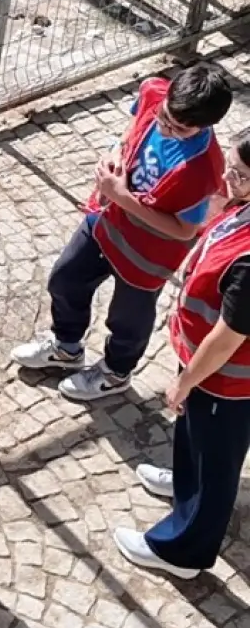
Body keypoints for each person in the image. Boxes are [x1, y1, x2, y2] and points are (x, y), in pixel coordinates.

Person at [11, 61, 232, 404]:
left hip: (146, 254)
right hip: (106, 222)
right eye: (164, 117)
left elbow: (183, 229)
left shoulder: (204, 169)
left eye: (178, 130)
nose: (166, 128)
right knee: (65, 279)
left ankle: (116, 372)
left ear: (205, 127)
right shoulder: (154, 92)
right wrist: (116, 154)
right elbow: (131, 133)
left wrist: (122, 197)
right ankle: (66, 347)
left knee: (127, 319)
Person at [115, 130, 250, 580]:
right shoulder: (241, 209)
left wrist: (187, 379)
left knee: (217, 464)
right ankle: (183, 484)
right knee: (196, 436)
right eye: (230, 167)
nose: (227, 178)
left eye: (240, 174)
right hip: (208, 366)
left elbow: (229, 337)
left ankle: (184, 550)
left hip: (226, 378)